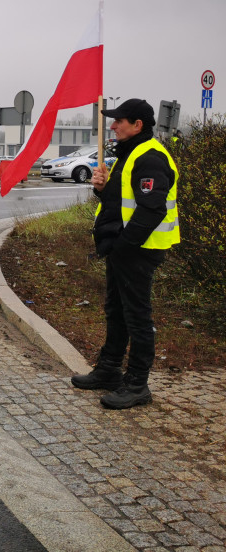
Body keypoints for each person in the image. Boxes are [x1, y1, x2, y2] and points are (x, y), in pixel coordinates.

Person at [71, 98, 180, 409]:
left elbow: (152, 209)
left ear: (138, 125)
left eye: (119, 120)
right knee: (116, 311)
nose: (113, 125)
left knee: (137, 316)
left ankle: (136, 384)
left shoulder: (151, 158)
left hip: (139, 249)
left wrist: (123, 245)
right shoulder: (129, 154)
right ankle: (109, 370)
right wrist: (101, 189)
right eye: (113, 120)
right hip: (123, 248)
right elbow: (121, 201)